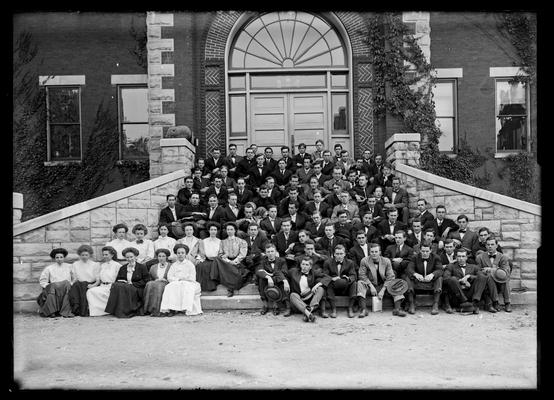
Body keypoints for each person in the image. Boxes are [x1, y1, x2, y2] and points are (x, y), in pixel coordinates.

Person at [356, 243, 409, 317]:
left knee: (396, 283)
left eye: (376, 252)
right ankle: (363, 309)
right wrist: (371, 286)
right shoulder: (364, 260)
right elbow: (362, 275)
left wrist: (383, 290)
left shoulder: (386, 261)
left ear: (380, 252)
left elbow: (390, 276)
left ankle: (398, 309)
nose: (374, 254)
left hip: (384, 286)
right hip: (370, 286)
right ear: (369, 252)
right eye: (372, 252)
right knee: (360, 283)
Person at [442, 247, 495, 314]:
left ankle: (474, 303)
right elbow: (445, 278)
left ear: (466, 257)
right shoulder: (451, 266)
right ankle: (467, 304)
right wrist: (461, 281)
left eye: (463, 256)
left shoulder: (473, 267)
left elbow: (483, 277)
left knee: (482, 277)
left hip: (470, 293)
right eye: (459, 256)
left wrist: (469, 277)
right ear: (456, 257)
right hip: (457, 295)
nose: (461, 258)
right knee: (453, 279)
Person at [105, 247, 150, 318]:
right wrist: (122, 281)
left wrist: (132, 283)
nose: (129, 259)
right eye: (127, 257)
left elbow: (146, 280)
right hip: (125, 286)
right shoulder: (123, 268)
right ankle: (117, 310)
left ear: (135, 256)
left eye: (131, 257)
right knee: (116, 285)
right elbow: (118, 279)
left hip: (136, 288)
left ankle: (125, 311)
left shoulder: (142, 267)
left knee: (122, 288)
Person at [159, 244, 202, 316]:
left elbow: (192, 277)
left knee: (187, 287)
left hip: (188, 282)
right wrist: (178, 279)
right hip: (177, 282)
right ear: (176, 254)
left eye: (182, 253)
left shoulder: (190, 264)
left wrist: (185, 279)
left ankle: (186, 308)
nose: (180, 255)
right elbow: (169, 276)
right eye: (178, 253)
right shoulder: (174, 265)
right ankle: (171, 308)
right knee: (169, 287)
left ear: (186, 254)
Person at [405, 242, 443, 315]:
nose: (425, 253)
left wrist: (432, 275)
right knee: (408, 277)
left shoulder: (436, 257)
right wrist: (416, 274)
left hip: (431, 282)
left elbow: (440, 270)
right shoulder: (415, 257)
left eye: (427, 251)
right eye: (423, 251)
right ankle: (411, 304)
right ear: (420, 250)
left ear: (431, 250)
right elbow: (409, 269)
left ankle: (435, 304)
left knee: (439, 278)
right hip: (418, 281)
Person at [475, 236, 512, 312]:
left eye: (492, 244)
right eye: (488, 245)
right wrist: (494, 271)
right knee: (489, 276)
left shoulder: (503, 257)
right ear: (485, 246)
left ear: (496, 245)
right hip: (488, 282)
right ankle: (496, 302)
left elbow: (505, 272)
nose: (490, 246)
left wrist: (491, 270)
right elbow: (478, 271)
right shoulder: (480, 257)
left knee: (504, 278)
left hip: (500, 280)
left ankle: (507, 303)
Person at [321, 245, 357, 318]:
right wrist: (332, 278)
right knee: (329, 283)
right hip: (334, 286)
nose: (339, 256)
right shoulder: (328, 262)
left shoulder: (350, 263)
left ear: (344, 254)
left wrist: (348, 278)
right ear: (334, 254)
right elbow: (324, 275)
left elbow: (353, 275)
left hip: (345, 286)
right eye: (337, 254)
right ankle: (333, 309)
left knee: (354, 283)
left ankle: (350, 308)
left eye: (341, 254)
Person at [37, 248, 75, 318]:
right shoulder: (49, 268)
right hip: (54, 288)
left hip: (66, 287)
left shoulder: (70, 267)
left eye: (61, 257)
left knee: (66, 283)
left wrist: (71, 284)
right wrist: (50, 286)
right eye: (57, 257)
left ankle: (66, 312)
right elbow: (43, 281)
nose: (59, 259)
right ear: (54, 258)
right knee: (53, 287)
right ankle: (51, 312)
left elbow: (74, 278)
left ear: (64, 258)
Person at [287, 257, 327, 323]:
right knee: (292, 295)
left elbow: (327, 277)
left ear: (310, 267)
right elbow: (282, 273)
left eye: (307, 265)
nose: (304, 266)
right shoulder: (293, 271)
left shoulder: (313, 273)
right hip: (298, 301)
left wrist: (317, 284)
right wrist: (285, 281)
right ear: (300, 265)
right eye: (303, 264)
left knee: (320, 289)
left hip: (311, 301)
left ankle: (307, 313)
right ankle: (308, 314)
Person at [256, 243, 291, 316]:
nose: (270, 254)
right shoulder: (263, 261)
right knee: (261, 279)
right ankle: (265, 304)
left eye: (272, 251)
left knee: (282, 280)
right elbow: (259, 271)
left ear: (276, 252)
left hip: (279, 279)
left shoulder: (282, 260)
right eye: (268, 252)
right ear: (265, 253)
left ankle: (286, 306)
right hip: (268, 281)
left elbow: (284, 272)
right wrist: (268, 277)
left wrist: (272, 276)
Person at [86, 246, 121, 317]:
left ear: (112, 255)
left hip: (112, 286)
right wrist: (93, 285)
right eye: (103, 255)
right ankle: (98, 311)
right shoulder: (102, 265)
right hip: (102, 286)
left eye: (106, 254)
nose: (104, 256)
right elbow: (98, 279)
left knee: (101, 292)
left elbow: (119, 279)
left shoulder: (117, 265)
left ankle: (109, 310)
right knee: (90, 291)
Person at [216, 222, 248, 297]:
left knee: (236, 271)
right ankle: (229, 288)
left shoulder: (241, 241)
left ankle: (231, 288)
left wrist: (235, 261)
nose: (229, 231)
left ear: (235, 230)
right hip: (226, 261)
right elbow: (220, 254)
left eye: (231, 229)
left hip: (238, 261)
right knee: (222, 264)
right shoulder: (222, 242)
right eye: (228, 229)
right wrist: (228, 261)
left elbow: (242, 254)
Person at [68, 244, 100, 317]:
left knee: (83, 287)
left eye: (86, 255)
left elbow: (98, 279)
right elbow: (75, 278)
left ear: (90, 255)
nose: (84, 257)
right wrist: (71, 284)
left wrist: (93, 285)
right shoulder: (75, 264)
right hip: (79, 284)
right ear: (79, 255)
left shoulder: (95, 265)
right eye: (82, 255)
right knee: (75, 287)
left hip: (90, 284)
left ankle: (83, 310)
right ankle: (76, 309)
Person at [142, 249, 173, 317]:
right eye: (159, 256)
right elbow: (149, 277)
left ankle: (158, 310)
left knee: (159, 286)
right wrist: (155, 280)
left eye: (163, 256)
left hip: (166, 283)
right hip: (155, 282)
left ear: (166, 257)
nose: (161, 258)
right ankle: (149, 309)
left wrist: (165, 279)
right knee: (149, 284)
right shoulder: (153, 267)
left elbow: (173, 276)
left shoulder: (171, 266)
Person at [195, 222, 222, 291]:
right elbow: (200, 252)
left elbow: (221, 253)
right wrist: (199, 259)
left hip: (216, 260)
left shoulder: (220, 241)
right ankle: (201, 287)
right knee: (200, 266)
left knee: (212, 266)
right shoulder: (204, 241)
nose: (213, 231)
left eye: (215, 230)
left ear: (217, 231)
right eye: (211, 230)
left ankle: (212, 286)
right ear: (209, 231)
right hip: (206, 259)